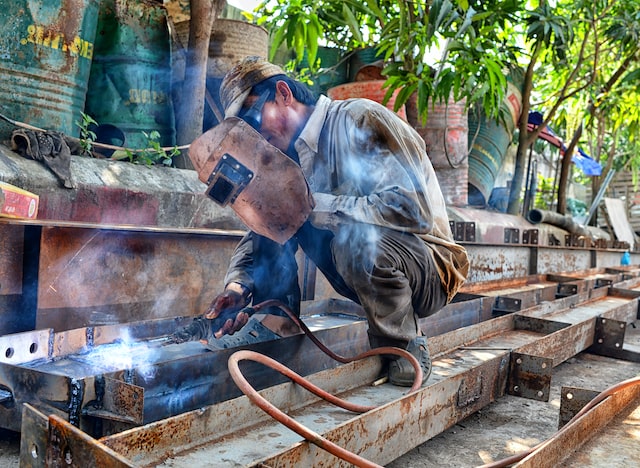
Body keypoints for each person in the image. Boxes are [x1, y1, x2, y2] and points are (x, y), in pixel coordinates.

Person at [178, 56, 469, 387]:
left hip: (429, 266)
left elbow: (411, 209)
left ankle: (404, 347)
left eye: (253, 118)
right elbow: (264, 229)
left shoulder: (360, 119)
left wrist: (312, 205)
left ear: (284, 94)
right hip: (366, 267)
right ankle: (277, 327)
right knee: (273, 204)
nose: (254, 134)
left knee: (349, 237)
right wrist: (239, 285)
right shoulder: (287, 159)